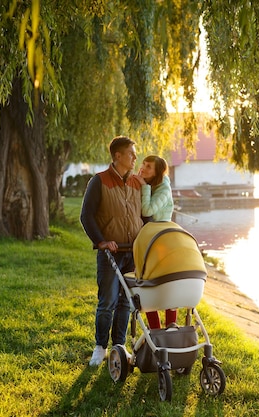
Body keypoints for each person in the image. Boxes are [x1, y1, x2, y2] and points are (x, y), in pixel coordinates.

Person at [80, 136, 144, 367]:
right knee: (107, 301)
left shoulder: (138, 182)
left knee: (125, 302)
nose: (135, 157)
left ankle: (119, 346)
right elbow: (86, 215)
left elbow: (146, 215)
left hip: (132, 252)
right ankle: (100, 347)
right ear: (117, 156)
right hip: (111, 254)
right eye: (131, 153)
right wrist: (101, 241)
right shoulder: (99, 181)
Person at [134, 155, 176, 329]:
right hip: (149, 238)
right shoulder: (151, 184)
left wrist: (143, 186)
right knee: (148, 283)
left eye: (148, 166)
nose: (143, 168)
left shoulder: (164, 189)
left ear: (157, 172)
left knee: (166, 284)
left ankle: (171, 324)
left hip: (162, 240)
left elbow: (147, 209)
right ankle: (155, 329)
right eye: (143, 164)